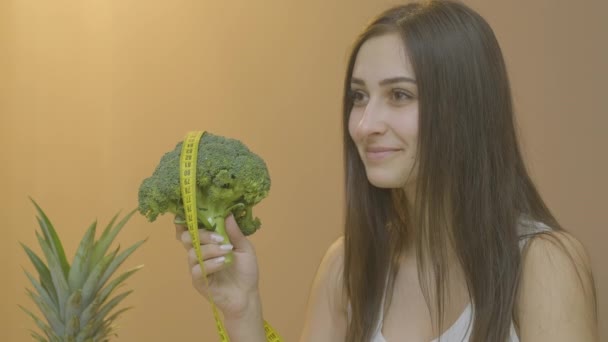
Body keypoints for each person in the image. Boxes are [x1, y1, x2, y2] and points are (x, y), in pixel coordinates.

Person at [175, 0, 599, 341]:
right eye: (359, 97)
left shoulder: (543, 266)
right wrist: (242, 310)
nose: (364, 124)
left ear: (464, 111)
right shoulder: (347, 266)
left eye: (399, 95)